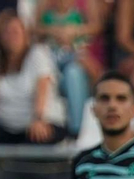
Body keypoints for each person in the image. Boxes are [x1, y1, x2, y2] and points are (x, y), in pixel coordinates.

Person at [0, 17, 63, 179]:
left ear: (25, 35)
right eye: (6, 32)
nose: (11, 36)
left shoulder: (38, 54)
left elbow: (42, 88)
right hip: (6, 123)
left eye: (15, 31)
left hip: (40, 120)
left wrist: (38, 118)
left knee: (33, 146)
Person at [37, 0, 103, 136]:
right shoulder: (46, 10)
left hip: (75, 57)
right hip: (50, 60)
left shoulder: (80, 12)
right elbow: (32, 27)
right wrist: (54, 31)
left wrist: (74, 31)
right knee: (44, 71)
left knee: (74, 73)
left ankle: (76, 131)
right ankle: (42, 126)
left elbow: (96, 26)